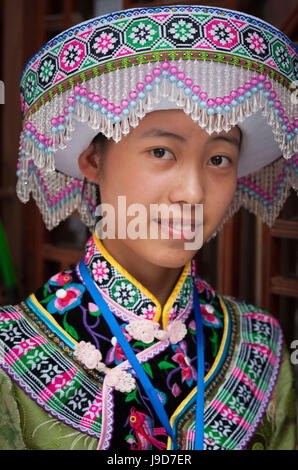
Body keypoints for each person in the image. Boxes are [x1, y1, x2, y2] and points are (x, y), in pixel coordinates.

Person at [0, 4, 297, 451]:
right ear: (94, 161)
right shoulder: (10, 352)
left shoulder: (261, 345)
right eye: (161, 151)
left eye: (219, 159)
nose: (194, 193)